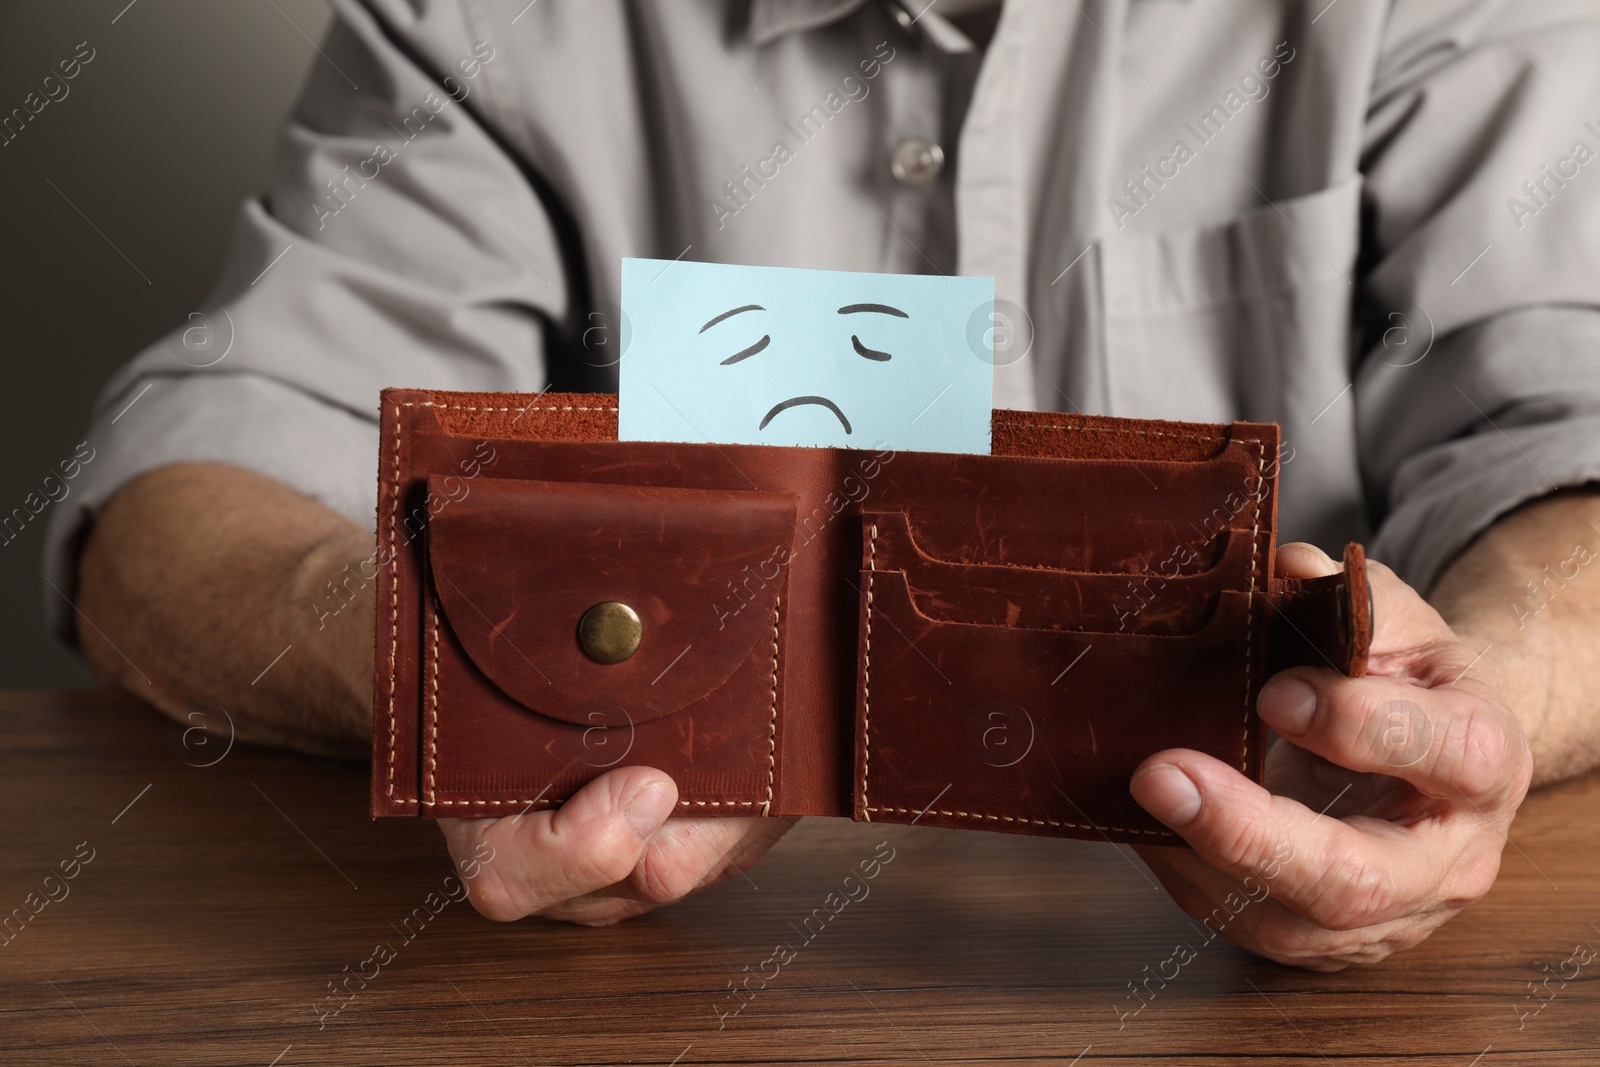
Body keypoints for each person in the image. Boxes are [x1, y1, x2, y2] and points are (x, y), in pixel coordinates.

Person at [45, 0, 1600, 970]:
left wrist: (1470, 719)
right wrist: (464, 684)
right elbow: (190, 481)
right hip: (668, 994)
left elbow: (1569, 431)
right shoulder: (482, 17)